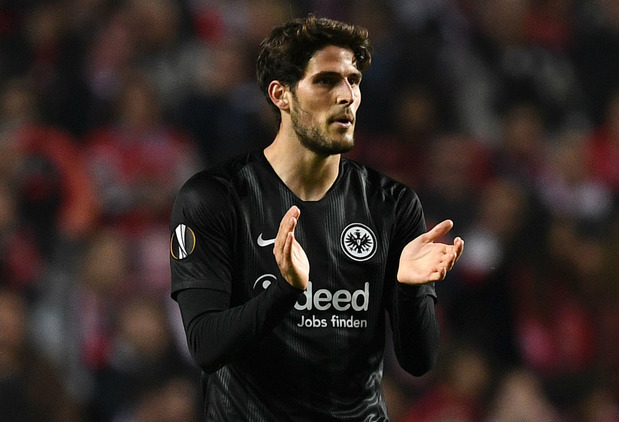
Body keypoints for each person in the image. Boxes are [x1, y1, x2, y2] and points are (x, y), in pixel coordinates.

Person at [169, 14, 464, 421]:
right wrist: (285, 290)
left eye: (353, 81)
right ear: (281, 95)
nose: (347, 96)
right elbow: (205, 346)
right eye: (326, 81)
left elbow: (419, 361)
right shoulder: (215, 198)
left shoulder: (392, 204)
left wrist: (410, 290)